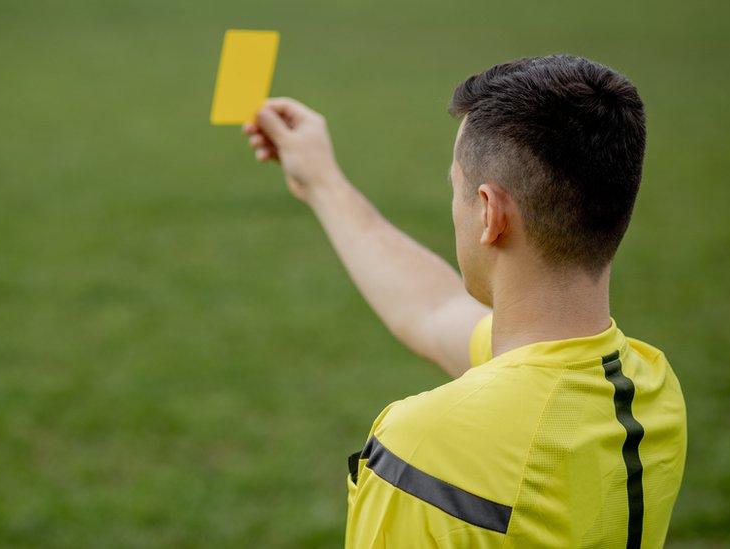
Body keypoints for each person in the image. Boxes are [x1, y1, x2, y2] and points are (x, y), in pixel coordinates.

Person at [241, 55, 687, 548]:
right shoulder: (651, 389)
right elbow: (434, 311)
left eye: (455, 188)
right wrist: (321, 182)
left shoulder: (427, 447)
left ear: (491, 213)